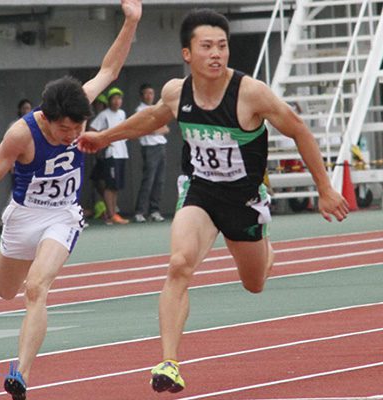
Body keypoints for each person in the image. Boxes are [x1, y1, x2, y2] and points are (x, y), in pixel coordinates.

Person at [78, 8, 348, 393]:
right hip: (200, 191)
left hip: (244, 199)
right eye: (206, 46)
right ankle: (169, 362)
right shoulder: (177, 92)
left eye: (222, 46)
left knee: (254, 283)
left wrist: (324, 188)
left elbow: (298, 129)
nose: (216, 54)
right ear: (187, 53)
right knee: (178, 264)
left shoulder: (250, 93)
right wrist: (105, 138)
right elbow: (153, 119)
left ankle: (265, 248)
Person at [0, 1, 141, 399]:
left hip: (62, 215)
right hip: (23, 217)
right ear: (47, 116)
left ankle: (20, 373)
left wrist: (131, 20)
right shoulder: (20, 135)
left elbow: (109, 70)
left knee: (36, 288)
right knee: (6, 291)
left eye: (79, 127)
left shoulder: (77, 107)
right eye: (65, 129)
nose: (73, 134)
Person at [89, 86, 129, 224]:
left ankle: (113, 213)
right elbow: (92, 129)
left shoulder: (122, 114)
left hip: (122, 152)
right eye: (114, 98)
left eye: (119, 98)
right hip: (110, 154)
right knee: (109, 185)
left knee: (116, 186)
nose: (117, 101)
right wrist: (102, 141)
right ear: (110, 100)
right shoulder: (104, 115)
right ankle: (111, 215)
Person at [133, 83, 169, 223]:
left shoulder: (157, 108)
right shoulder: (140, 110)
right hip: (149, 148)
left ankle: (154, 210)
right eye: (147, 93)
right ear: (142, 95)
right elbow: (142, 129)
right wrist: (153, 129)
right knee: (148, 180)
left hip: (161, 146)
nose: (149, 96)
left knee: (159, 180)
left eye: (152, 93)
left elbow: (165, 129)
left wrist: (154, 129)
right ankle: (140, 212)